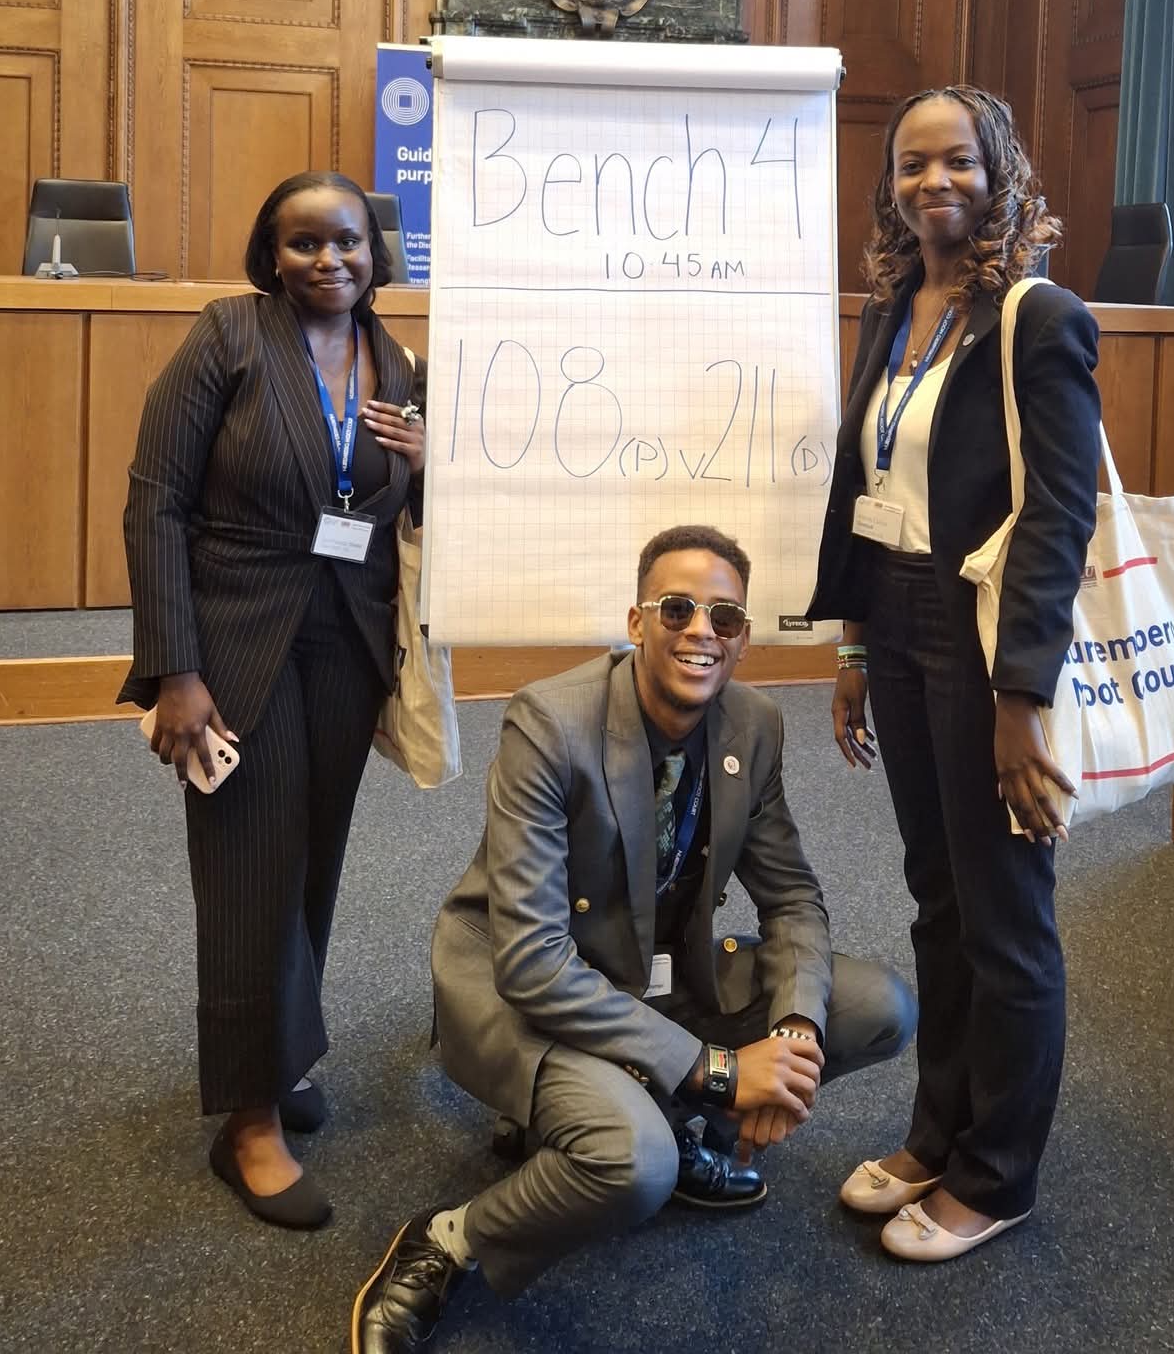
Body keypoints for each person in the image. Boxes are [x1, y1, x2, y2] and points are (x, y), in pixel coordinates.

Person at [350, 525, 916, 1352]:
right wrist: (723, 1072)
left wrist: (793, 1039)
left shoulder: (754, 725)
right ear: (637, 621)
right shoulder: (551, 721)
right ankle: (449, 1241)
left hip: (655, 969)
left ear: (742, 639)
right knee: (636, 1164)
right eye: (678, 609)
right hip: (525, 980)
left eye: (725, 618)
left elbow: (792, 897)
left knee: (876, 1007)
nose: (701, 632)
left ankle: (672, 1119)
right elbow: (533, 962)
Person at [807, 84, 1101, 1263]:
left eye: (960, 161)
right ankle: (940, 1129)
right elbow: (869, 490)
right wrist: (854, 647)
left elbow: (1059, 515)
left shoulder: (1037, 316)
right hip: (897, 615)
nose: (935, 181)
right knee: (939, 894)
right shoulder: (894, 308)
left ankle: (999, 1169)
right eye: (913, 164)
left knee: (1005, 911)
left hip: (985, 637)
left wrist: (1021, 699)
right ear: (891, 184)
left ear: (1000, 173)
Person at [120, 170, 425, 1229]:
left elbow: (394, 510)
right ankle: (248, 1120)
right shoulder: (229, 336)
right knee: (249, 866)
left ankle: (280, 1052)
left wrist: (426, 467)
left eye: (347, 240)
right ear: (272, 253)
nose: (329, 259)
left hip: (346, 638)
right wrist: (174, 669)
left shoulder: (397, 360)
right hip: (235, 638)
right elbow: (155, 501)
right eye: (304, 243)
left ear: (375, 251)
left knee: (310, 860)